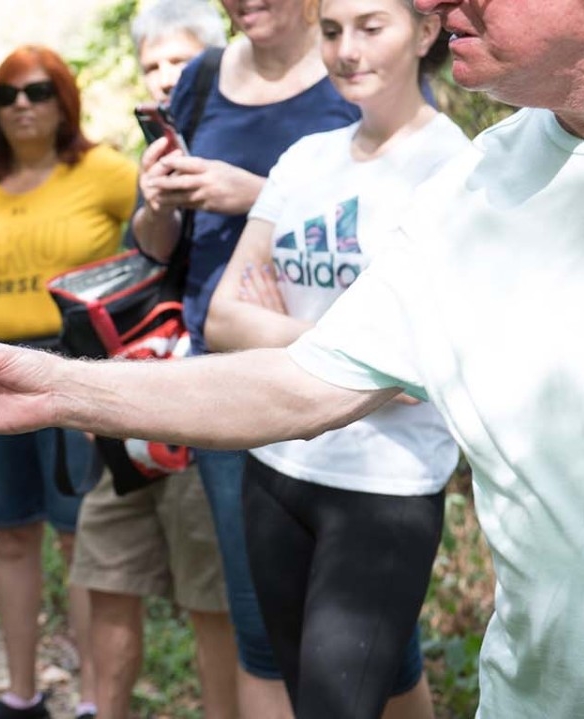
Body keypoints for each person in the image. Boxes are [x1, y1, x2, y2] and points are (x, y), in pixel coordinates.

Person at [0, 0, 584, 716]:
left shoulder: (441, 158)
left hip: (387, 488)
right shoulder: (478, 183)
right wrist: (55, 386)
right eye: (335, 28)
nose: (432, 0)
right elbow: (298, 383)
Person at [200, 0, 465, 715]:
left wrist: (290, 324)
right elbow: (224, 318)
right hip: (277, 467)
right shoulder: (304, 160)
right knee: (350, 683)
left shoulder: (456, 171)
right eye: (332, 31)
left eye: (371, 27)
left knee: (334, 702)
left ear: (426, 31)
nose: (348, 49)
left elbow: (424, 370)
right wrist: (364, 341)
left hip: (387, 487)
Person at [128, 0, 359, 712]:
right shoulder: (200, 78)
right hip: (222, 375)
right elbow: (155, 246)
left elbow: (402, 209)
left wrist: (256, 197)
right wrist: (159, 201)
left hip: (342, 375)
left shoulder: (354, 65)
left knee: (363, 628)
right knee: (258, 621)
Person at [0, 45, 136, 719]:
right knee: (11, 529)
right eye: (7, 95)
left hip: (73, 367)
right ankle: (20, 693)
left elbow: (155, 245)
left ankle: (91, 700)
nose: (21, 105)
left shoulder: (104, 170)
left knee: (76, 535)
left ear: (64, 101)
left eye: (36, 92)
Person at [66, 4, 236, 719]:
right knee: (105, 569)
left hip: (219, 400)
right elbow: (153, 251)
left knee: (213, 600)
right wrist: (157, 197)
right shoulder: (155, 149)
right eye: (152, 66)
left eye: (180, 62)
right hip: (140, 389)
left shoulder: (241, 129)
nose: (165, 78)